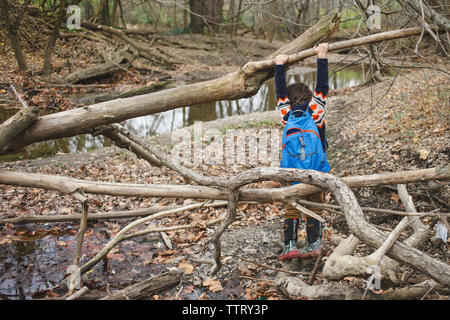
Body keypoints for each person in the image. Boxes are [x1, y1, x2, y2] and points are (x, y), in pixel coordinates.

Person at [274, 43, 330, 261]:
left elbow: (279, 90)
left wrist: (279, 66)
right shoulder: (316, 111)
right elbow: (323, 85)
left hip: (292, 173)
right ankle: (314, 244)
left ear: (288, 100)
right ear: (309, 96)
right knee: (315, 203)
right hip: (317, 172)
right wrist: (322, 56)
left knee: (291, 207)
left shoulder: (287, 114)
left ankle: (290, 247)